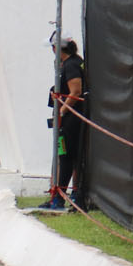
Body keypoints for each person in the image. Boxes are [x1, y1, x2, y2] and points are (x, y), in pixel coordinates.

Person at [41, 37, 87, 210]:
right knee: (68, 156)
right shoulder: (74, 62)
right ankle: (65, 194)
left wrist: (62, 111)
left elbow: (76, 91)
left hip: (71, 119)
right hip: (71, 118)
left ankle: (60, 198)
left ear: (58, 48)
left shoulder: (71, 65)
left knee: (66, 156)